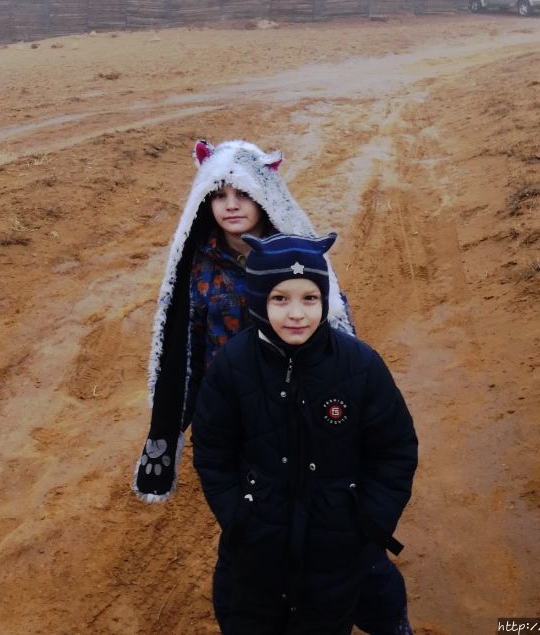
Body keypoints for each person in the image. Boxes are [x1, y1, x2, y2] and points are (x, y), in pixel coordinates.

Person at [132, 139, 412, 634]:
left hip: (311, 408)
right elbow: (184, 345)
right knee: (263, 530)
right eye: (217, 195)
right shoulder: (199, 265)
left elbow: (341, 335)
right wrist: (177, 429)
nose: (231, 205)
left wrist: (369, 519)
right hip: (244, 413)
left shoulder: (301, 255)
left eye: (241, 192)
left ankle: (376, 611)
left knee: (341, 546)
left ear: (266, 194)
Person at [191, 232, 418, 634]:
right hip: (257, 546)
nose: (296, 313)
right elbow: (213, 451)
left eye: (309, 298)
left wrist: (367, 523)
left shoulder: (360, 366)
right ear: (259, 299)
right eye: (280, 298)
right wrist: (238, 516)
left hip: (339, 543)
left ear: (324, 300)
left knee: (339, 615)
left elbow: (394, 451)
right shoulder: (231, 365)